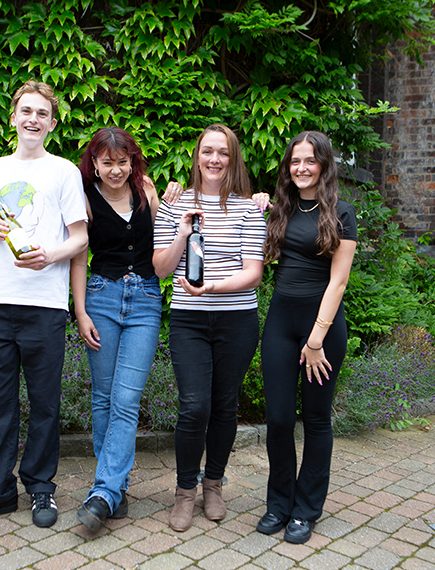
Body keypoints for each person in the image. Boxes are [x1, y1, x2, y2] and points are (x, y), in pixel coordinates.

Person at [0, 80, 88, 529]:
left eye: (42, 113)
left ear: (51, 123)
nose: (33, 119)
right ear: (13, 117)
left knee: (45, 404)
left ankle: (41, 489)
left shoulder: (65, 171)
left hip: (45, 305)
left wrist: (49, 255)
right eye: (25, 111)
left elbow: (81, 237)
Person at [153, 124, 266, 532]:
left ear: (232, 159)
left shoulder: (249, 209)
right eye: (207, 152)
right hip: (189, 320)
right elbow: (161, 269)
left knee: (224, 405)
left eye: (223, 153)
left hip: (237, 320)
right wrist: (182, 232)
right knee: (194, 405)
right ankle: (185, 491)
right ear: (196, 156)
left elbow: (253, 273)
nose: (215, 160)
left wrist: (212, 287)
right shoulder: (173, 205)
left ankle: (213, 484)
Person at [257, 131, 357, 544]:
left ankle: (306, 509)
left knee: (316, 419)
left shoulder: (343, 213)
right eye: (295, 161)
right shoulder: (279, 209)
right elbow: (257, 256)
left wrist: (315, 340)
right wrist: (255, 208)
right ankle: (279, 503)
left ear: (324, 165)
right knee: (279, 419)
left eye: (309, 161)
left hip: (324, 328)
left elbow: (338, 283)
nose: (301, 168)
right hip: (280, 323)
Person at [70, 127, 165, 532]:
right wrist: (80, 311)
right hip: (101, 296)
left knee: (126, 400)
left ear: (132, 161)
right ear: (94, 162)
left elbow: (161, 242)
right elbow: (77, 256)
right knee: (104, 398)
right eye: (106, 162)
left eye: (122, 161)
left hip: (145, 300)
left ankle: (103, 493)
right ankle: (117, 488)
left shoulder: (146, 189)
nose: (115, 170)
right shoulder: (85, 196)